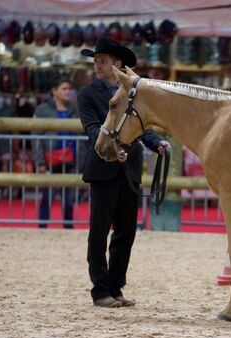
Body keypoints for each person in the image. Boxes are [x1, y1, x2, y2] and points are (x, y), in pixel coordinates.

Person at [77, 37, 170, 308]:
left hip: (129, 169)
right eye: (95, 62)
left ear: (117, 65)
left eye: (102, 61)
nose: (97, 66)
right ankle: (100, 289)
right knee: (99, 232)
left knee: (126, 232)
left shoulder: (132, 93)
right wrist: (113, 148)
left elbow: (143, 127)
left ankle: (116, 286)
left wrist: (157, 144)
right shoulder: (87, 94)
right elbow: (92, 128)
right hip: (103, 166)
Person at [33, 75, 78, 229]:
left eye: (69, 89)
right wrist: (39, 162)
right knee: (47, 197)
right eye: (64, 89)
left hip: (71, 160)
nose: (68, 92)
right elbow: (36, 137)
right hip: (50, 160)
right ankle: (42, 228)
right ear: (54, 90)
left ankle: (68, 229)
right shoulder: (42, 109)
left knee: (69, 199)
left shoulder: (73, 109)